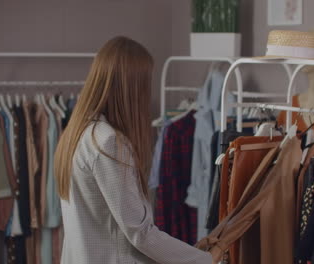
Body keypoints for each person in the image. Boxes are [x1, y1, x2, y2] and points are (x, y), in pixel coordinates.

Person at [54, 36, 218, 264]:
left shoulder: (77, 132)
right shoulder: (108, 142)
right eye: (144, 83)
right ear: (131, 88)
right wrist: (205, 260)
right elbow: (140, 234)